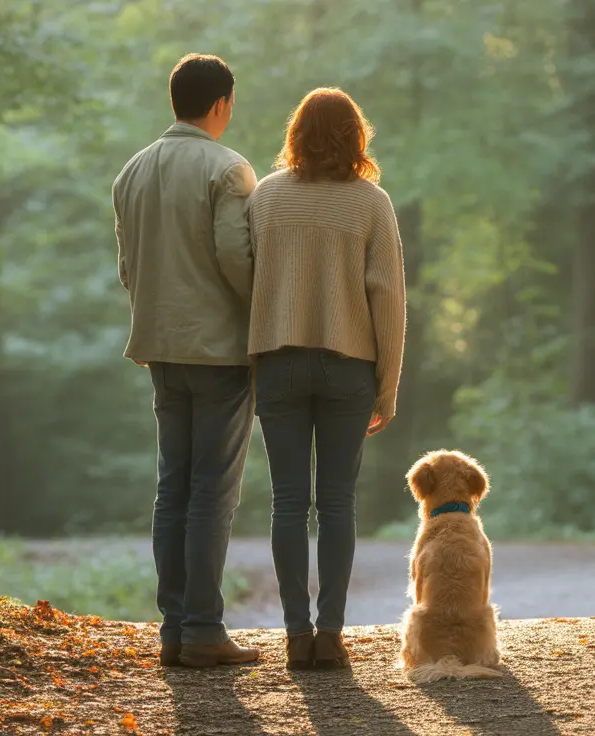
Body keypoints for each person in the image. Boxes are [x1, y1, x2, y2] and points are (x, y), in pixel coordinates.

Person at [247, 88, 407, 669]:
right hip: (349, 368)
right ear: (355, 137)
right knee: (337, 503)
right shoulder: (371, 203)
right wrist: (387, 386)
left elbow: (245, 280)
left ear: (296, 134)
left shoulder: (265, 199)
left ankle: (295, 634)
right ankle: (332, 635)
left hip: (279, 362)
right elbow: (387, 297)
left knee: (288, 504)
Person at [112, 53, 259, 668]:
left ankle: (174, 629)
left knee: (171, 487)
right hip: (220, 350)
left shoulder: (132, 171)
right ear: (221, 103)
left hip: (159, 347)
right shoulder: (228, 169)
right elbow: (236, 256)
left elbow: (128, 267)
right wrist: (268, 313)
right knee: (212, 491)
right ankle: (203, 629)